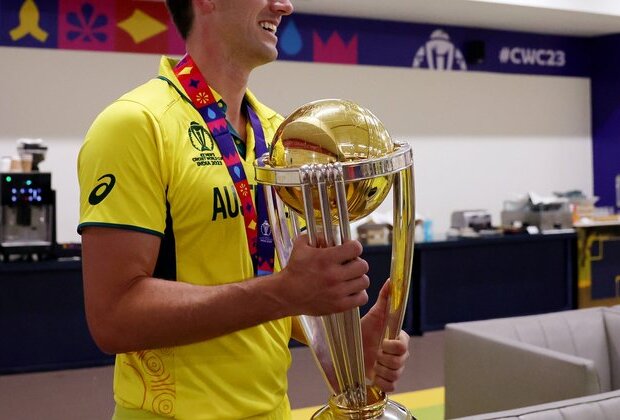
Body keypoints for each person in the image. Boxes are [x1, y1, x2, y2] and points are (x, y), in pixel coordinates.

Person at [77, 0, 410, 418]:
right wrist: (284, 291)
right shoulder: (136, 124)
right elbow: (113, 317)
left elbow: (282, 299)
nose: (284, 5)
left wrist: (345, 349)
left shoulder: (280, 137)